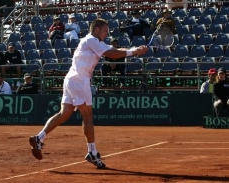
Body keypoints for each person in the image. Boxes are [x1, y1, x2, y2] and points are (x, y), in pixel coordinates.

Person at [29, 18, 148, 168]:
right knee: (88, 117)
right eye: (105, 31)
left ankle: (39, 137)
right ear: (97, 29)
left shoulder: (93, 41)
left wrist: (135, 50)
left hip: (71, 79)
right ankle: (92, 152)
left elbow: (115, 50)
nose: (107, 34)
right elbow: (111, 54)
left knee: (64, 114)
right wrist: (135, 52)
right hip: (80, 80)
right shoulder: (91, 40)